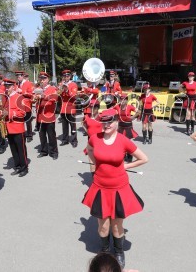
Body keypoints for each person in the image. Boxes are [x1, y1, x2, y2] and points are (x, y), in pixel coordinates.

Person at [82, 109, 148, 269]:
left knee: (117, 225)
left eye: (109, 122)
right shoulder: (94, 138)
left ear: (117, 122)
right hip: (100, 187)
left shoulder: (123, 140)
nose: (106, 125)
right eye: (103, 122)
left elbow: (144, 158)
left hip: (119, 188)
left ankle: (118, 251)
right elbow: (89, 150)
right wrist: (96, 162)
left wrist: (126, 165)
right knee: (103, 225)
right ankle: (105, 252)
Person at [3, 79, 29, 177]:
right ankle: (17, 167)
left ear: (13, 86)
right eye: (6, 86)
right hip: (9, 128)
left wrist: (9, 113)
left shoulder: (19, 97)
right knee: (13, 149)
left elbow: (22, 113)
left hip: (18, 128)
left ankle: (24, 168)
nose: (7, 88)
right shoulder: (7, 98)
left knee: (21, 149)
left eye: (8, 86)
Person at [34, 72, 59, 160]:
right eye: (41, 79)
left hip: (49, 115)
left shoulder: (52, 88)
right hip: (40, 115)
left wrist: (44, 96)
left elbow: (55, 99)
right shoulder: (37, 89)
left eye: (44, 79)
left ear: (48, 80)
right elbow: (34, 99)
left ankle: (54, 152)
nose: (42, 80)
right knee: (42, 135)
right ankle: (44, 151)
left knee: (51, 135)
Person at [115, 93, 139, 162]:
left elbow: (139, 112)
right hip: (120, 126)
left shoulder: (129, 107)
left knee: (127, 142)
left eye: (124, 100)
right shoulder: (117, 106)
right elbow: (111, 111)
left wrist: (133, 117)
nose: (122, 101)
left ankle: (130, 156)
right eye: (121, 99)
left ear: (126, 100)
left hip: (128, 126)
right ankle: (123, 155)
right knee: (121, 142)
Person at [60, 69, 79, 147]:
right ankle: (65, 140)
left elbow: (74, 96)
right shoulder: (61, 84)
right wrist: (60, 89)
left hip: (71, 107)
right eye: (64, 76)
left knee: (72, 125)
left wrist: (67, 90)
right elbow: (59, 95)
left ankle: (74, 140)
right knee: (64, 125)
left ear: (70, 76)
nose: (66, 77)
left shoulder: (73, 84)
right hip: (63, 108)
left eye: (67, 76)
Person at [16, 71, 35, 142]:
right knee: (21, 121)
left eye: (19, 76)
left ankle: (29, 135)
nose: (18, 78)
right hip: (19, 105)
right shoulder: (17, 84)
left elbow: (31, 94)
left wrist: (21, 91)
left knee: (28, 121)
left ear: (23, 76)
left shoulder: (28, 83)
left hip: (26, 105)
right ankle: (22, 133)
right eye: (17, 76)